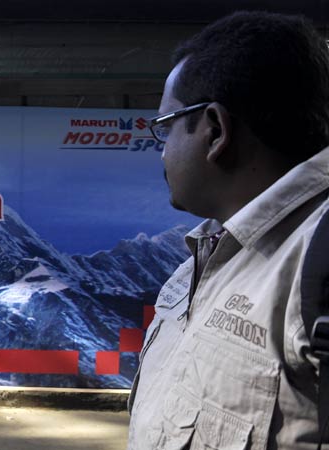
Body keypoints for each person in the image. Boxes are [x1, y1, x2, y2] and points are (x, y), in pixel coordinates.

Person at [127, 11, 329, 449]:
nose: (162, 152)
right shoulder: (208, 252)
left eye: (166, 127)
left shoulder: (318, 257)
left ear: (215, 131)